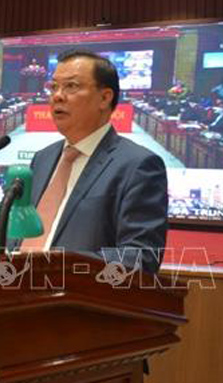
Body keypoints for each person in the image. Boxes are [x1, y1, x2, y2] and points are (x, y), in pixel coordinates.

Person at [20, 51, 168, 273]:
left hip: (76, 292)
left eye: (71, 86)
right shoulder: (43, 158)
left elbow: (140, 258)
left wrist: (53, 266)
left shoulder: (138, 165)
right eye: (53, 87)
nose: (57, 96)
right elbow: (20, 234)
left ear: (105, 98)